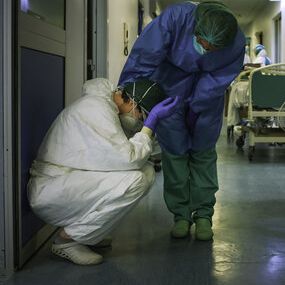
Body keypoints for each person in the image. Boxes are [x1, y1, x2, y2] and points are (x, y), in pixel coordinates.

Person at [119, 1, 245, 241]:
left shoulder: (236, 41)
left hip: (208, 96)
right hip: (168, 86)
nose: (205, 50)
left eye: (213, 49)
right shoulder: (177, 18)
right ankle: (181, 215)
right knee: (175, 153)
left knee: (203, 151)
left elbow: (219, 77)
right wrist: (130, 93)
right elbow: (145, 55)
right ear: (195, 29)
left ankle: (204, 215)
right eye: (201, 43)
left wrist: (197, 106)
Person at [27, 78, 179, 265]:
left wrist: (150, 128)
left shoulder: (106, 108)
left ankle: (86, 233)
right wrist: (150, 125)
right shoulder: (96, 110)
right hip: (50, 189)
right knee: (136, 180)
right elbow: (128, 158)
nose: (140, 121)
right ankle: (67, 240)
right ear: (131, 102)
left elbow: (129, 152)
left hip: (66, 179)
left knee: (145, 171)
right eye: (142, 116)